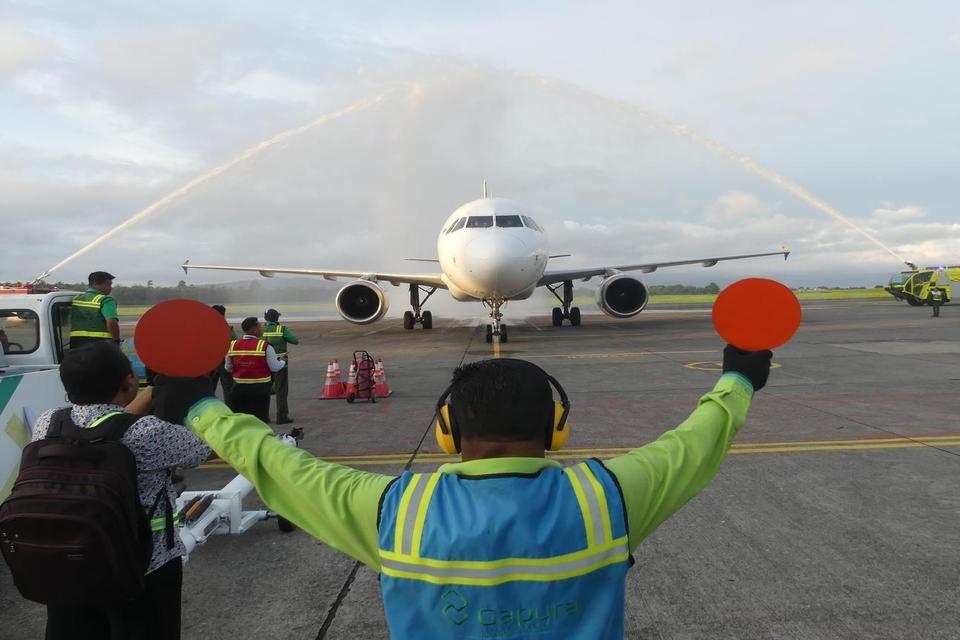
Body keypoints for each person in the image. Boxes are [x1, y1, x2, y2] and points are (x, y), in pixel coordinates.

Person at [183, 347, 772, 639]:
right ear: (554, 428)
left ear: (447, 431)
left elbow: (277, 465)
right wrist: (738, 377)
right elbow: (698, 441)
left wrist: (201, 406)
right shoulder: (608, 497)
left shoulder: (395, 510)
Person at [31, 342, 210, 640]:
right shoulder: (146, 432)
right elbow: (202, 449)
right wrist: (173, 394)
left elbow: (104, 424)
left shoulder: (47, 423)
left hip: (67, 559)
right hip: (142, 566)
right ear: (129, 381)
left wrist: (148, 393)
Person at [225, 317, 285, 422]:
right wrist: (283, 362)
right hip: (260, 390)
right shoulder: (264, 346)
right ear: (254, 330)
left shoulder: (232, 345)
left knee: (241, 421)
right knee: (260, 421)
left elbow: (228, 367)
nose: (262, 328)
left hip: (239, 388)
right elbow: (274, 367)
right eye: (260, 326)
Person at [262, 308, 299, 424]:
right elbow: (295, 340)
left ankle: (264, 416)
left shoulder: (260, 330)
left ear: (265, 318)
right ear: (277, 318)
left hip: (264, 365)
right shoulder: (281, 329)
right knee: (281, 391)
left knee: (264, 390)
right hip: (280, 364)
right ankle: (281, 416)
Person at [69, 271, 121, 349]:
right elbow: (111, 322)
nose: (111, 287)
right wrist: (116, 340)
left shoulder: (76, 299)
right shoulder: (106, 300)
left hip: (76, 344)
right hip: (101, 345)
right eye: (108, 284)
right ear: (97, 284)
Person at [210, 305, 238, 406]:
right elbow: (235, 343)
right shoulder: (229, 328)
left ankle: (210, 411)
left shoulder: (206, 327)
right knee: (228, 387)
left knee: (209, 388)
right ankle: (230, 410)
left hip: (210, 361)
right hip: (224, 360)